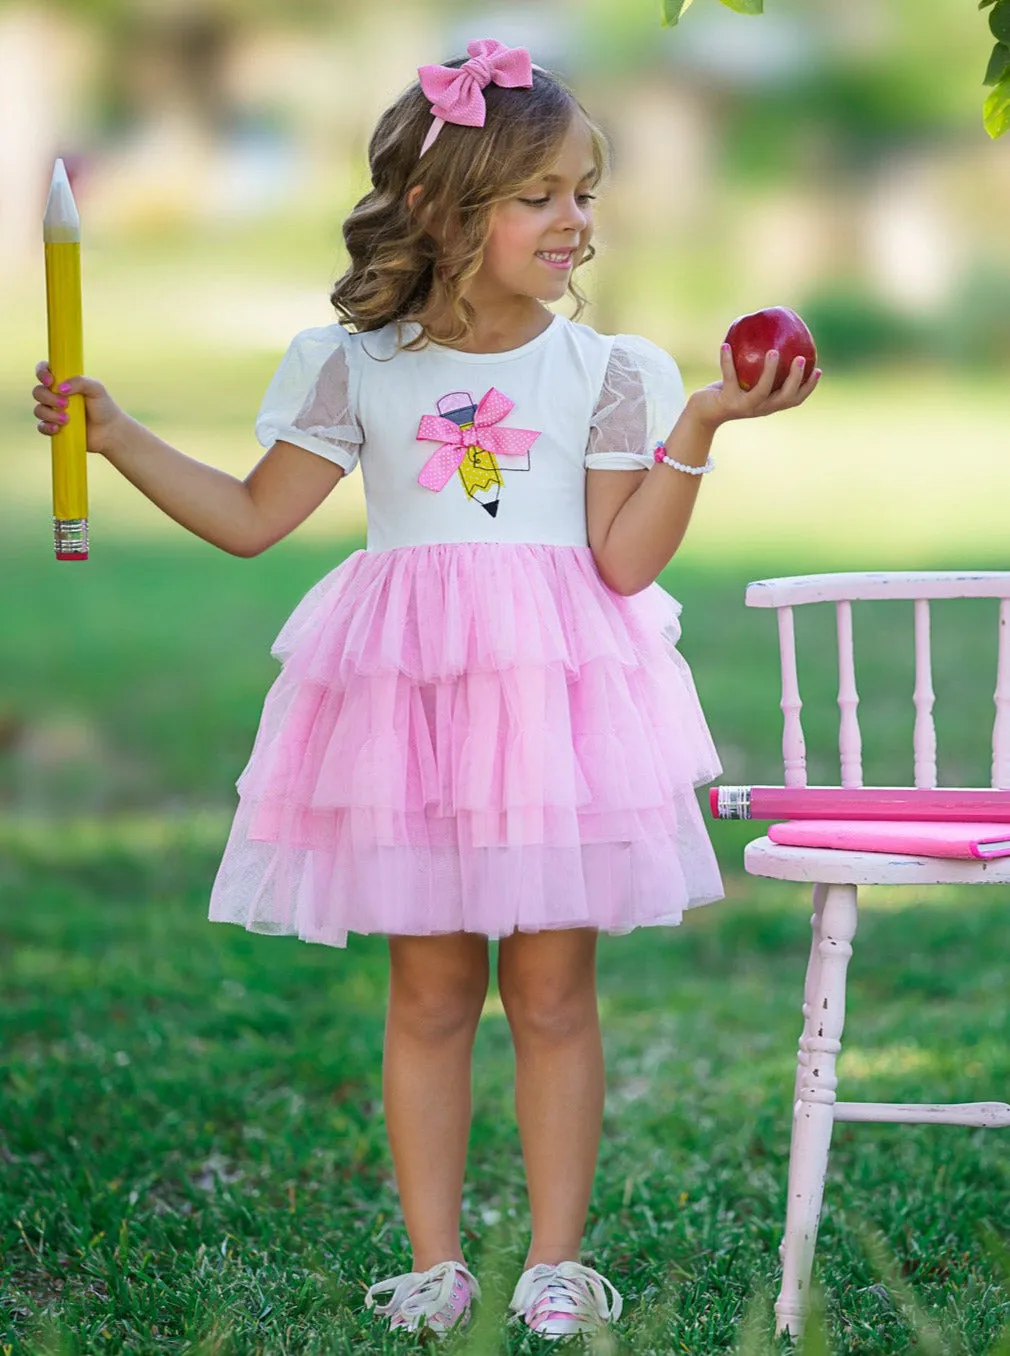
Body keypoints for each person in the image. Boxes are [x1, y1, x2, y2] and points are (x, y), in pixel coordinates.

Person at [32, 37, 820, 1343]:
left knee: (555, 994)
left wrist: (693, 429)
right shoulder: (355, 365)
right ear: (444, 209)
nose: (577, 221)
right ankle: (436, 1261)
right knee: (432, 992)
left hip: (553, 702)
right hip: (409, 701)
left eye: (586, 193)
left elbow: (622, 565)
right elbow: (245, 519)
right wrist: (113, 436)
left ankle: (554, 1264)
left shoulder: (603, 370)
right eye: (544, 196)